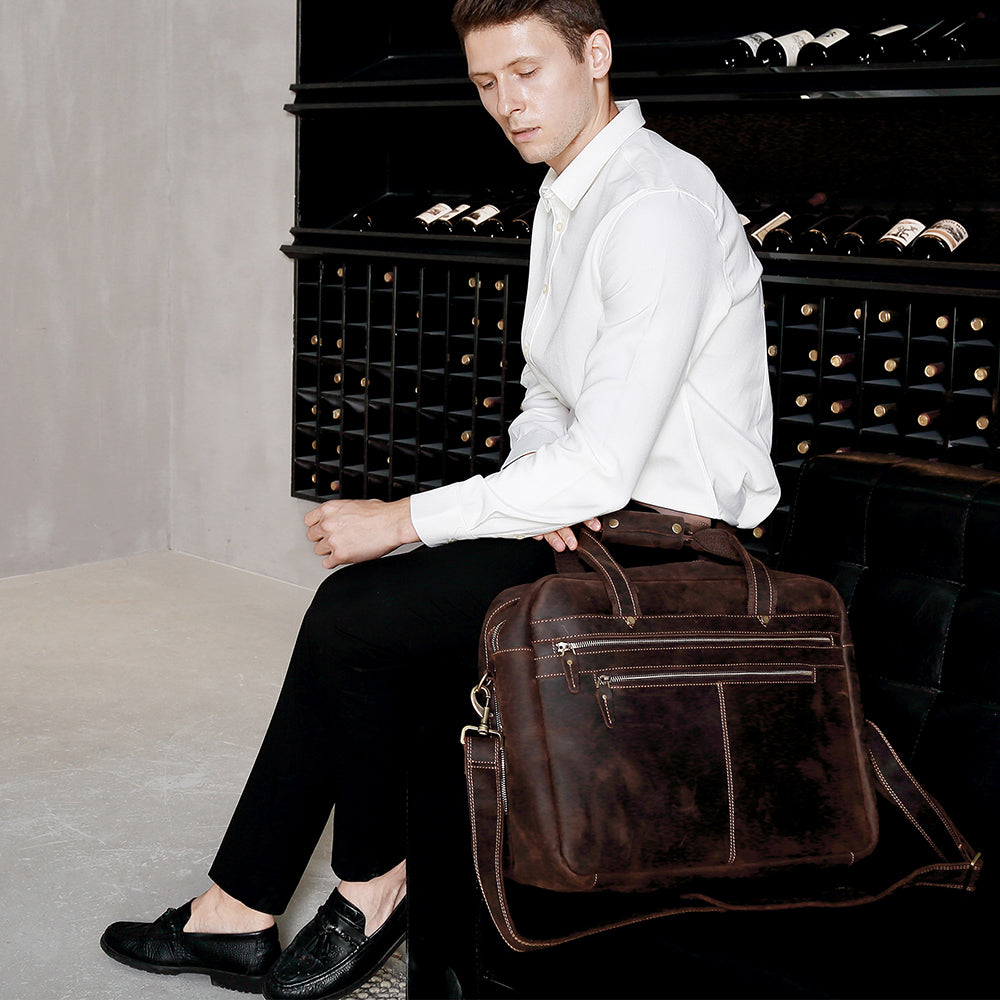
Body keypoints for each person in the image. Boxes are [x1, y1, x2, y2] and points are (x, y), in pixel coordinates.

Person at [99, 1, 780, 997]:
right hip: (592, 526)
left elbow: (603, 459)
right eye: (486, 83)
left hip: (675, 552)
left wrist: (401, 520)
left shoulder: (655, 204)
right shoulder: (571, 192)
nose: (507, 104)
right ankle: (246, 910)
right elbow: (549, 398)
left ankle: (354, 887)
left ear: (594, 55)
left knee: (358, 612)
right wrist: (545, 489)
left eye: (527, 72)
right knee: (358, 620)